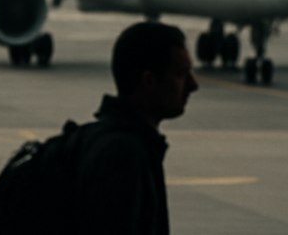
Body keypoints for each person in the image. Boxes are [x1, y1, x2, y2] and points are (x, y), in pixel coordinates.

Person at [70, 21, 199, 234]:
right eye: (180, 74)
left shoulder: (100, 140)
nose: (193, 85)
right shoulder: (123, 155)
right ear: (149, 81)